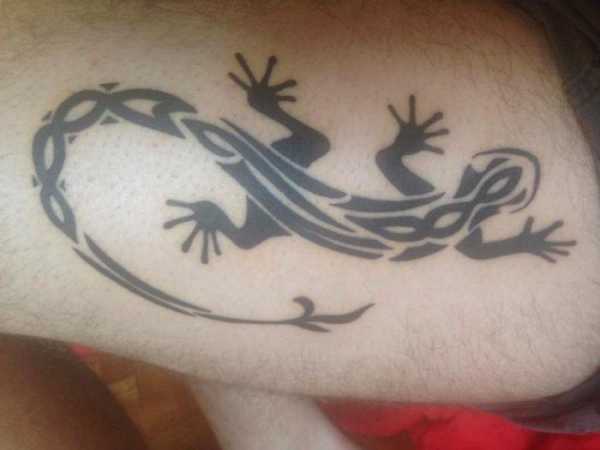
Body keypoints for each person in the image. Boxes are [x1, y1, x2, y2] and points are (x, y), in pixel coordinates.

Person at [1, 0, 600, 446]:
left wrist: (410, 142)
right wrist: (525, 238)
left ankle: (261, 114)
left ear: (475, 179)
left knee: (307, 147)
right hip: (278, 213)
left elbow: (392, 163)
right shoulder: (463, 233)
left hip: (293, 194)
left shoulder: (440, 208)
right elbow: (479, 243)